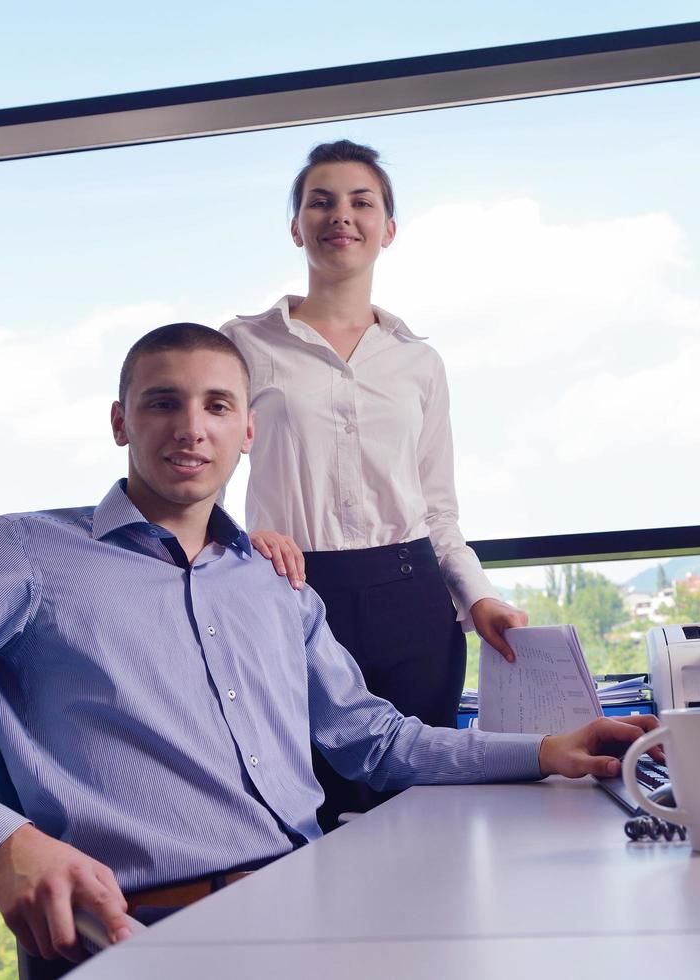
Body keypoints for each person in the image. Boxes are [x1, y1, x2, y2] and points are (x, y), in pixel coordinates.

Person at [0, 322, 657, 967]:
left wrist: (547, 749)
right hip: (133, 938)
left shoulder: (274, 582)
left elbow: (375, 742)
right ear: (120, 422)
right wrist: (2, 843)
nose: (189, 427)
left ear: (248, 432)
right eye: (161, 403)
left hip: (315, 916)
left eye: (216, 405)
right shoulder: (23, 554)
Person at [221, 140, 528, 826]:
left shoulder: (418, 363)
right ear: (295, 226)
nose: (342, 216)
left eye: (362, 203)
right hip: (291, 595)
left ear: (387, 229)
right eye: (321, 202)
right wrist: (237, 542)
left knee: (423, 808)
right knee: (306, 809)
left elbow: (439, 510)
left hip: (413, 601)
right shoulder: (241, 344)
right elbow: (200, 476)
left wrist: (477, 598)